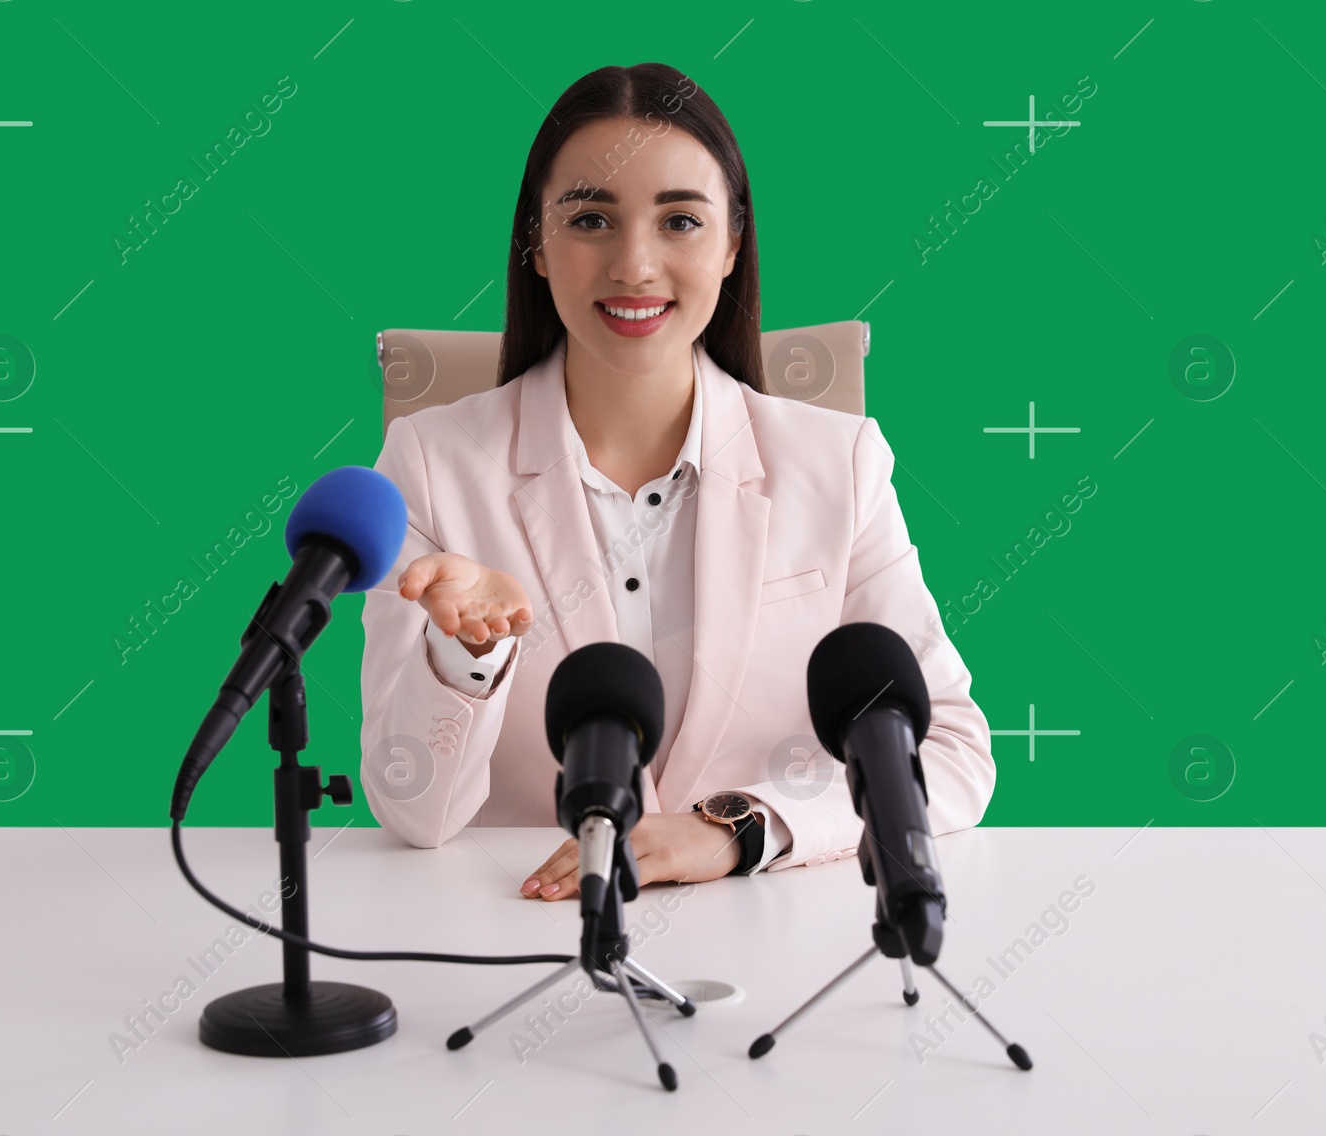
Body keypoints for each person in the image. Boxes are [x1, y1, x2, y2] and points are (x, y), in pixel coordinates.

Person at [359, 62, 994, 903]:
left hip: (769, 946)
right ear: (537, 247)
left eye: (681, 221)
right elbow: (410, 813)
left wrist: (737, 828)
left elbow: (949, 752)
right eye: (590, 218)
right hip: (522, 937)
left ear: (733, 244)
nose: (634, 264)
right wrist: (466, 649)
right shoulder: (431, 464)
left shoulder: (838, 462)